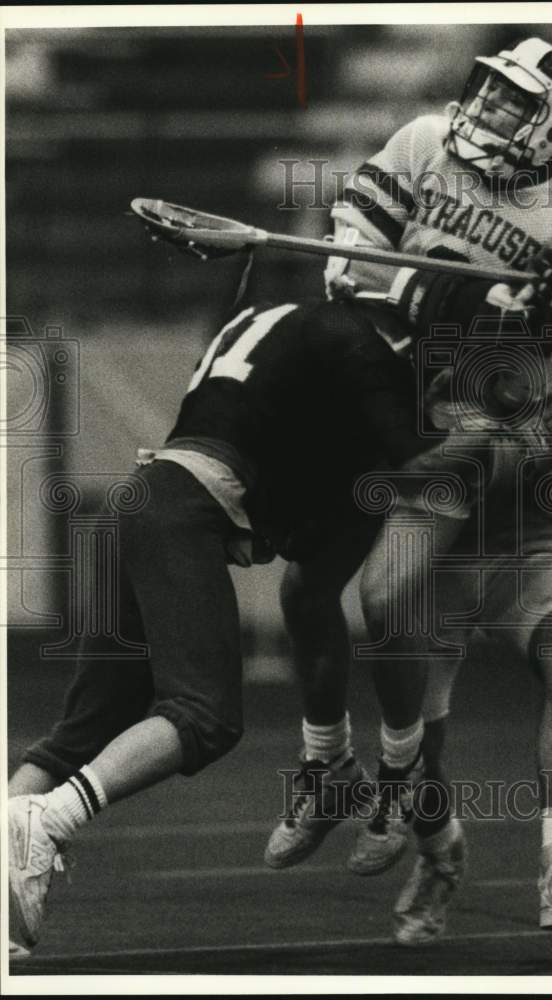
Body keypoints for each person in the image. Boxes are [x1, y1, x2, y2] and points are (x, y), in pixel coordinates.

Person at [262, 36, 552, 945]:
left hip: (477, 472)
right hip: (402, 429)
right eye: (490, 93)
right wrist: (463, 308)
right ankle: (402, 816)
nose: (490, 112)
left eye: (515, 104)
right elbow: (346, 269)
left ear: (551, 122)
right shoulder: (424, 143)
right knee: (323, 594)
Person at [6, 296, 440, 957]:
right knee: (205, 714)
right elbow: (414, 471)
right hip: (184, 512)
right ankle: (49, 820)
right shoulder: (356, 349)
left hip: (143, 497)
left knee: (82, 732)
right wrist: (507, 427)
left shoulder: (274, 328)